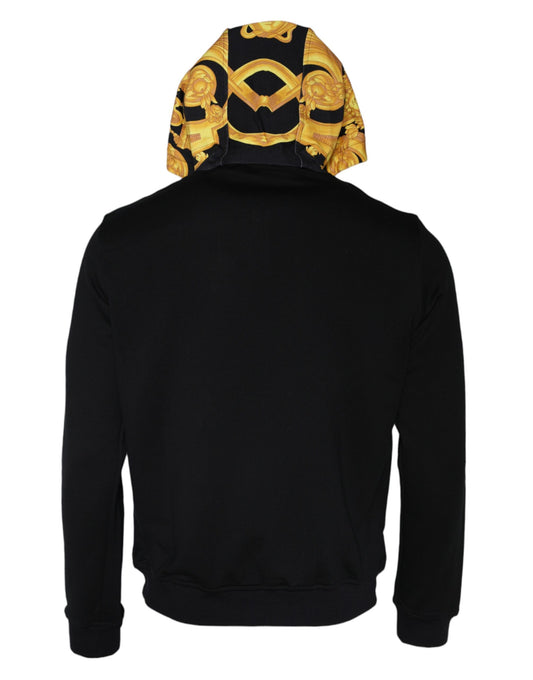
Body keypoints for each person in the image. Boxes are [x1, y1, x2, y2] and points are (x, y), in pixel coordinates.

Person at [61, 20, 466, 657]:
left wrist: (92, 623)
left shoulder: (121, 244)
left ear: (199, 103)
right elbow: (436, 455)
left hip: (177, 618)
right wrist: (425, 616)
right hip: (344, 622)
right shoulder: (409, 251)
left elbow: (91, 450)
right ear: (333, 105)